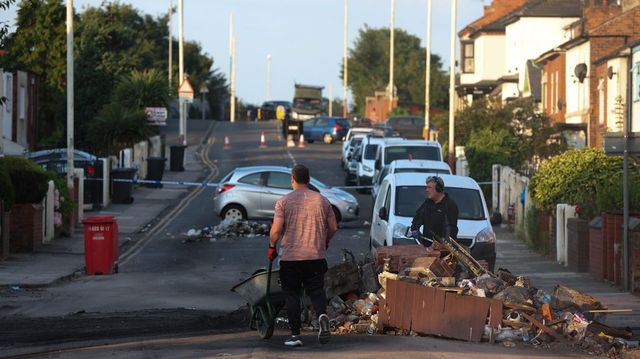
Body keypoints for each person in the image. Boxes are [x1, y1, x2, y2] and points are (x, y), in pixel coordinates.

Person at [268, 164, 338, 347]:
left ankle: (295, 335)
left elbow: (275, 230)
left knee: (292, 294)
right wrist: (326, 241)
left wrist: (271, 245)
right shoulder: (322, 200)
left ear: (292, 178)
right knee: (316, 291)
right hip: (316, 256)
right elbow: (333, 227)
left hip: (291, 258)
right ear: (309, 179)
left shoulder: (283, 202)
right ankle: (322, 314)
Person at [410, 176, 459, 245]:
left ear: (439, 189)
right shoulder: (427, 203)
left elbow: (450, 229)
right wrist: (414, 229)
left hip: (442, 249)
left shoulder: (449, 206)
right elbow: (419, 216)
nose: (426, 190)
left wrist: (444, 244)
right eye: (426, 187)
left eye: (429, 187)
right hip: (427, 246)